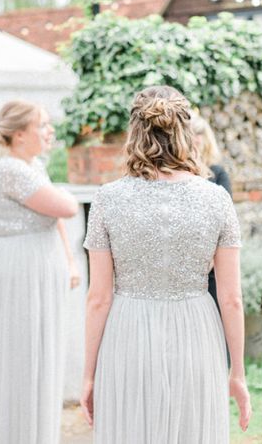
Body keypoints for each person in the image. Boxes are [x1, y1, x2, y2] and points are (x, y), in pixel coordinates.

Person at [80, 85, 252, 442]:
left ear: (134, 133)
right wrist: (237, 372)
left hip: (128, 332)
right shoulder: (216, 198)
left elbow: (98, 297)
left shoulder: (107, 199)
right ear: (186, 132)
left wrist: (89, 375)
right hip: (196, 331)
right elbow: (232, 299)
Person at [0, 101, 80, 444]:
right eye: (42, 125)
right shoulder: (10, 169)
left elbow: (56, 218)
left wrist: (70, 262)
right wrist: (66, 194)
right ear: (19, 135)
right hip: (21, 269)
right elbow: (66, 207)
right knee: (22, 352)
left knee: (41, 350)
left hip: (39, 264)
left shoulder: (33, 166)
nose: (50, 131)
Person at [191, 112, 232, 313]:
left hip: (213, 261)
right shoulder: (181, 176)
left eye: (201, 133)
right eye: (192, 133)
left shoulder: (218, 173)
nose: (197, 138)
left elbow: (226, 219)